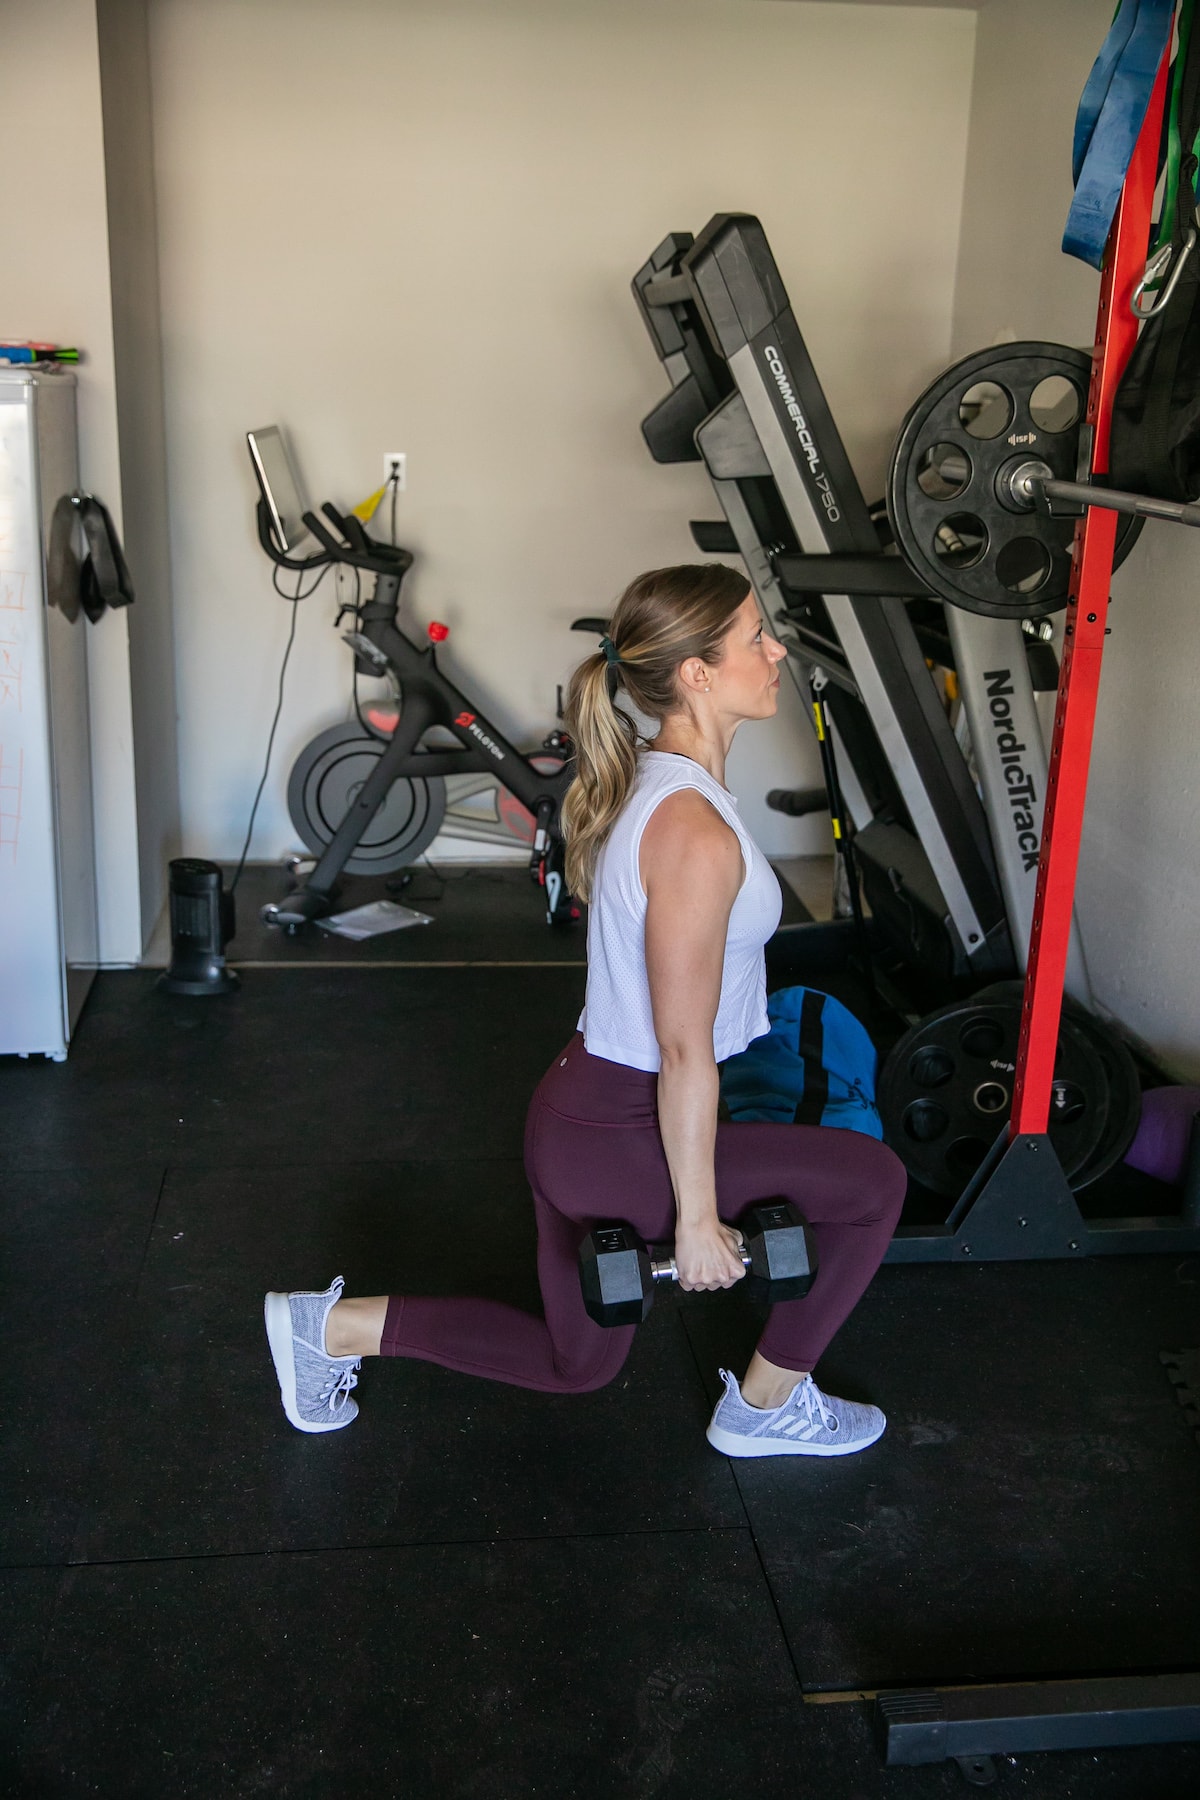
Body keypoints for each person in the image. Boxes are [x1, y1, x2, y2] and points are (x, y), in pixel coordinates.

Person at [265, 564, 906, 1453]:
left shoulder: (661, 782)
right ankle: (764, 1408)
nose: (777, 652)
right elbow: (682, 1051)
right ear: (697, 673)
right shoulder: (693, 832)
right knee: (874, 1185)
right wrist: (697, 1220)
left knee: (576, 1364)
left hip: (578, 1122)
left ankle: (325, 1329)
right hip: (622, 1140)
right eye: (755, 638)